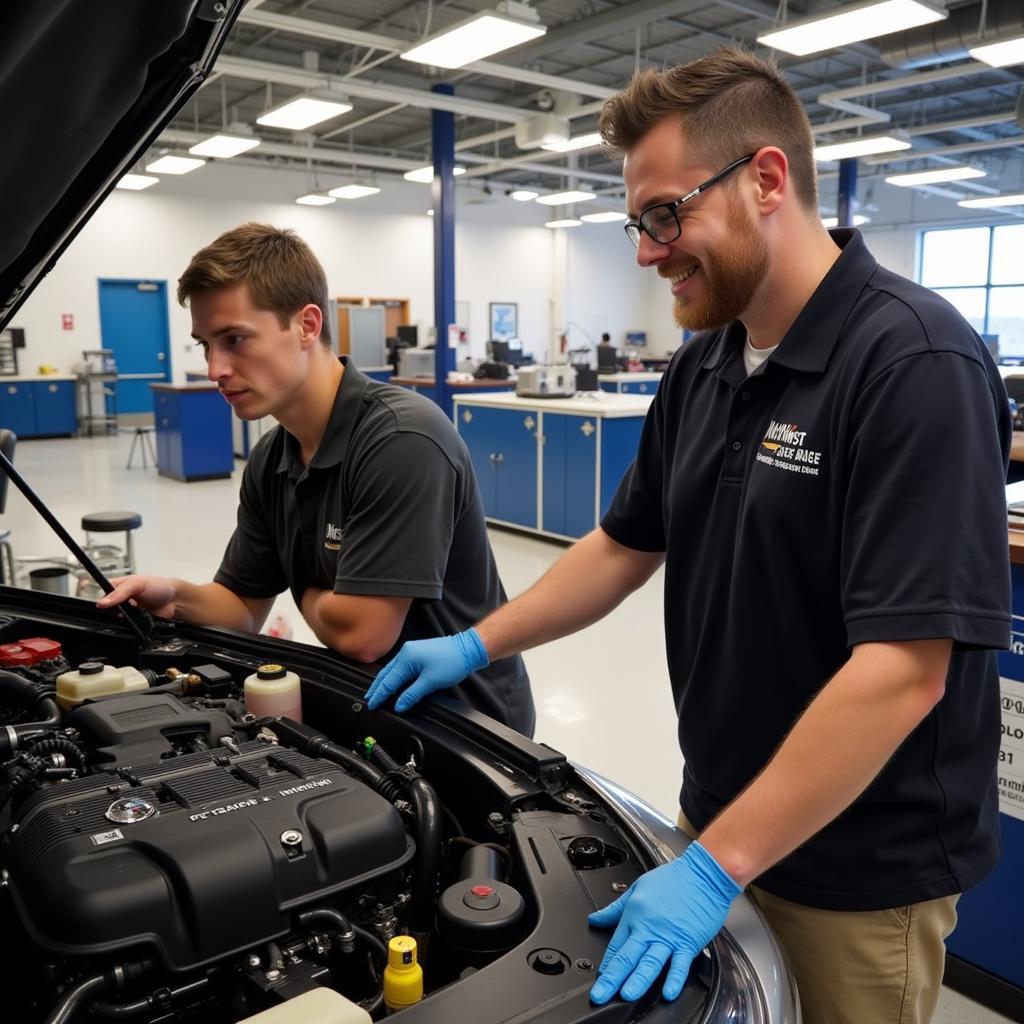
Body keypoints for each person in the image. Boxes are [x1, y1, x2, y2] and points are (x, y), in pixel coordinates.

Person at [364, 48, 1010, 1023]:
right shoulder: (705, 363)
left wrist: (714, 868)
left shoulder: (911, 361)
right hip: (715, 814)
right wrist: (475, 639)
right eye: (638, 221)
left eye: (665, 214)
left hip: (855, 865)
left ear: (764, 179)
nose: (645, 250)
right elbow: (625, 545)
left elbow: (904, 668)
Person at [99, 222, 534, 736]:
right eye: (205, 345)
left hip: (465, 725)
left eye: (235, 339)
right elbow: (241, 607)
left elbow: (364, 634)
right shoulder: (271, 458)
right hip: (368, 704)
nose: (215, 368)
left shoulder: (401, 439)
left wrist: (301, 585)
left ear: (307, 324)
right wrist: (173, 593)